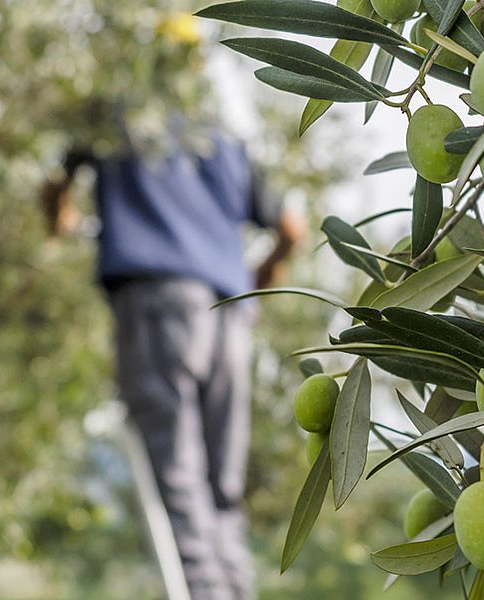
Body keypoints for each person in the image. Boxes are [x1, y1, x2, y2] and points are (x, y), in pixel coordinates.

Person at [41, 100, 304, 599]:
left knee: (180, 481)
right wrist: (259, 279)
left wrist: (59, 218)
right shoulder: (221, 135)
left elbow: (57, 185)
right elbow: (292, 231)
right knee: (222, 489)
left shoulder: (113, 117)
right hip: (230, 312)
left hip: (159, 305)